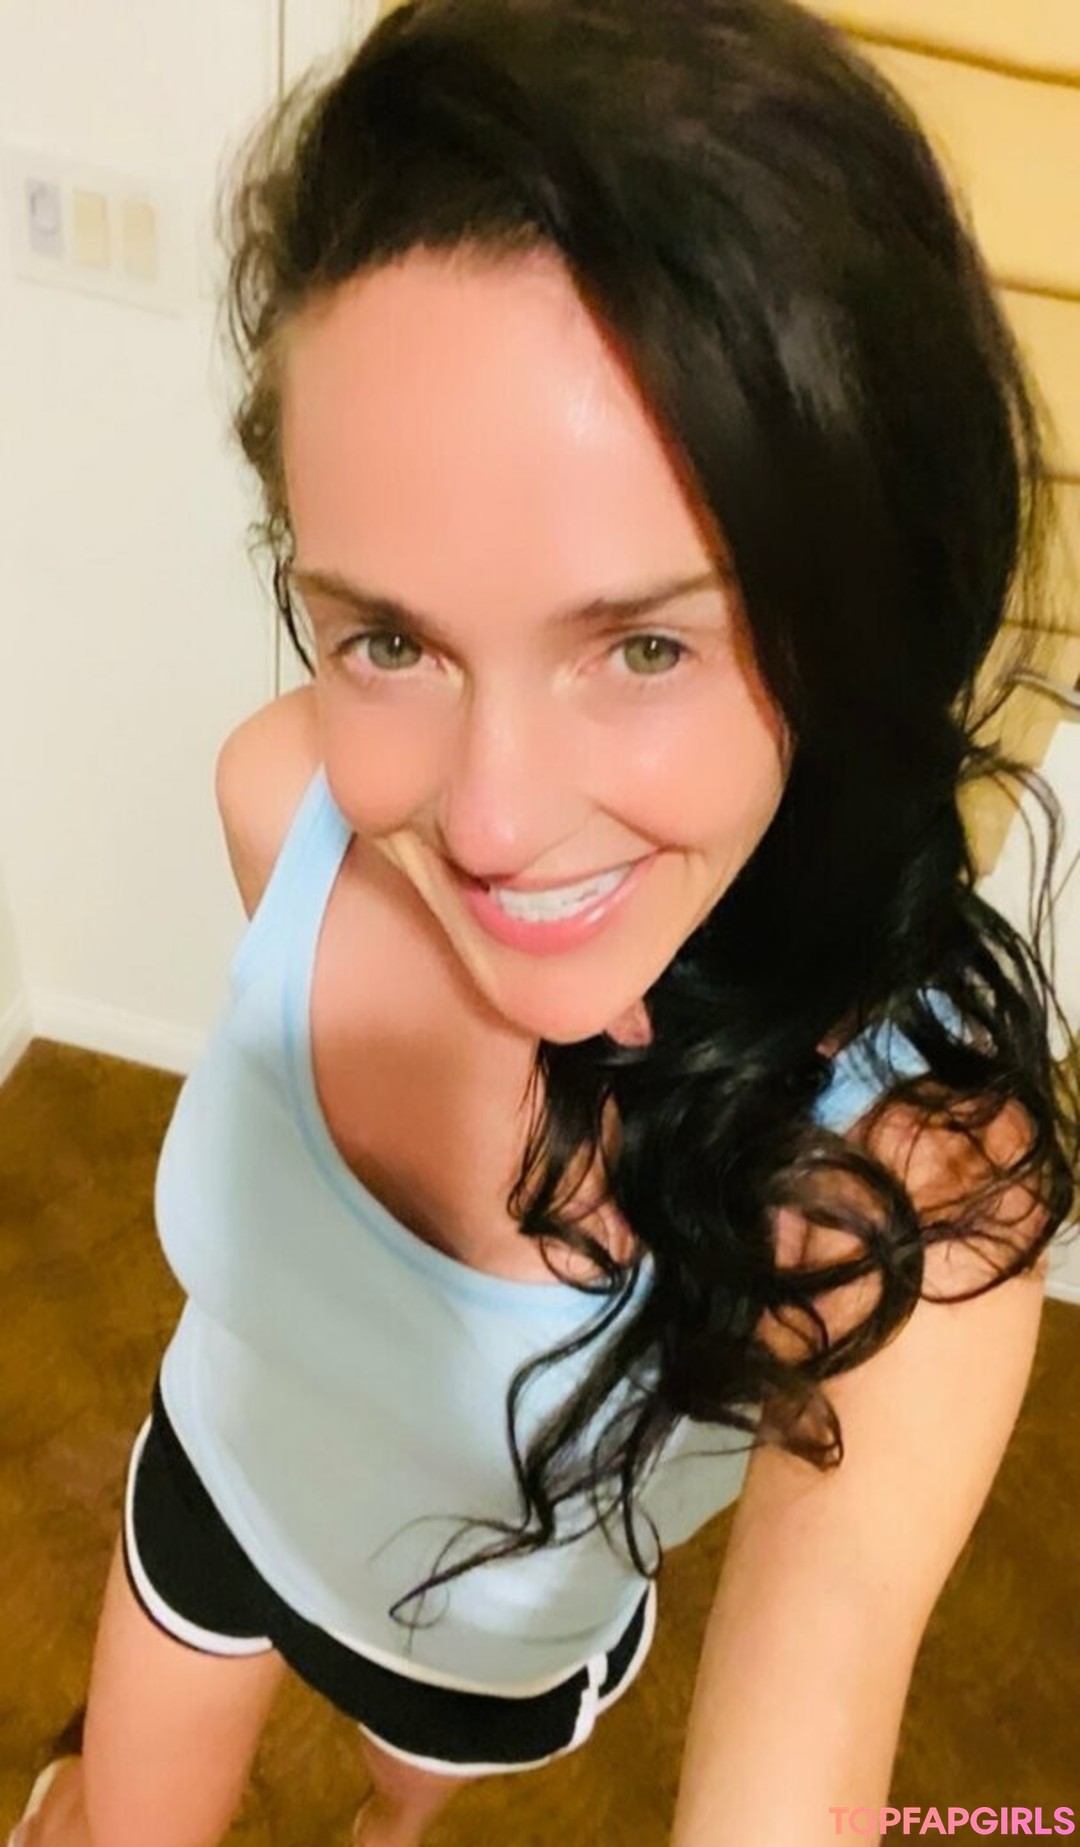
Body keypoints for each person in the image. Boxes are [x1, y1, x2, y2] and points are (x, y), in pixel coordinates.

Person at [11, 1, 1080, 1843]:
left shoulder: (906, 1185)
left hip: (484, 1657)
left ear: (862, 617)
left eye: (645, 645)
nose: (494, 824)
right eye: (390, 639)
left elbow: (802, 1742)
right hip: (211, 1503)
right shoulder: (284, 806)